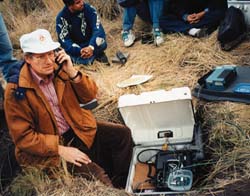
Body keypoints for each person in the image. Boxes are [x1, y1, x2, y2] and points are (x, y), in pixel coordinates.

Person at [4, 29, 133, 188]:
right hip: (49, 147)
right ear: (28, 59)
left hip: (76, 128)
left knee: (122, 135)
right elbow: (23, 138)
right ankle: (111, 187)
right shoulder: (16, 90)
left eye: (50, 53)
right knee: (98, 177)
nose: (49, 60)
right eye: (41, 56)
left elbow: (90, 96)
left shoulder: (60, 69)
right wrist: (60, 150)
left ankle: (123, 185)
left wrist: (72, 72)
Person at [56, 0, 109, 65]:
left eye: (81, 0)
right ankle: (93, 57)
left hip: (91, 43)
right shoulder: (61, 18)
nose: (82, 3)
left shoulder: (89, 8)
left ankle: (87, 59)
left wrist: (91, 47)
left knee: (102, 43)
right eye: (78, 2)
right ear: (69, 6)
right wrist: (80, 51)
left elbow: (98, 29)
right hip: (78, 48)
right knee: (63, 52)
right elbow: (65, 41)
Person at [160, 0, 228, 37]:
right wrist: (185, 16)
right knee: (163, 21)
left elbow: (220, 4)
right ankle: (191, 30)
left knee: (220, 13)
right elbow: (173, 5)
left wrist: (203, 13)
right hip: (186, 18)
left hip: (205, 16)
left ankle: (183, 28)